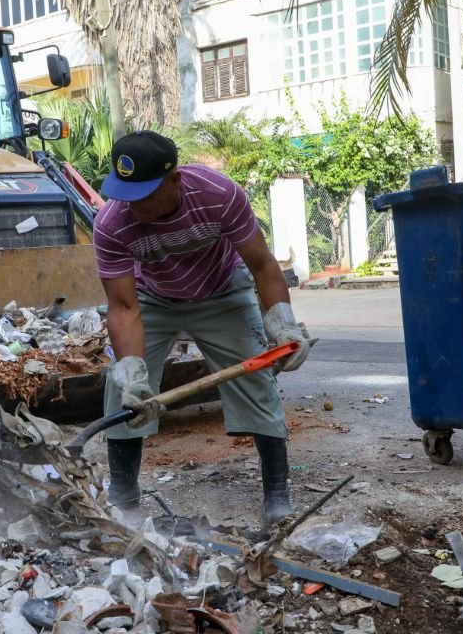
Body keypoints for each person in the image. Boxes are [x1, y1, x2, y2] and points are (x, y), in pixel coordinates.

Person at [92, 131, 312, 526]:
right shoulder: (111, 223)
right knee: (122, 390)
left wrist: (282, 325)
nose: (132, 204)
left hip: (221, 289)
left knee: (257, 377)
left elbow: (263, 265)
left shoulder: (218, 194)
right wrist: (131, 371)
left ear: (175, 180)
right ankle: (123, 497)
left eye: (144, 194)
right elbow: (123, 306)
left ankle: (277, 494)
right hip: (152, 297)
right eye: (126, 193)